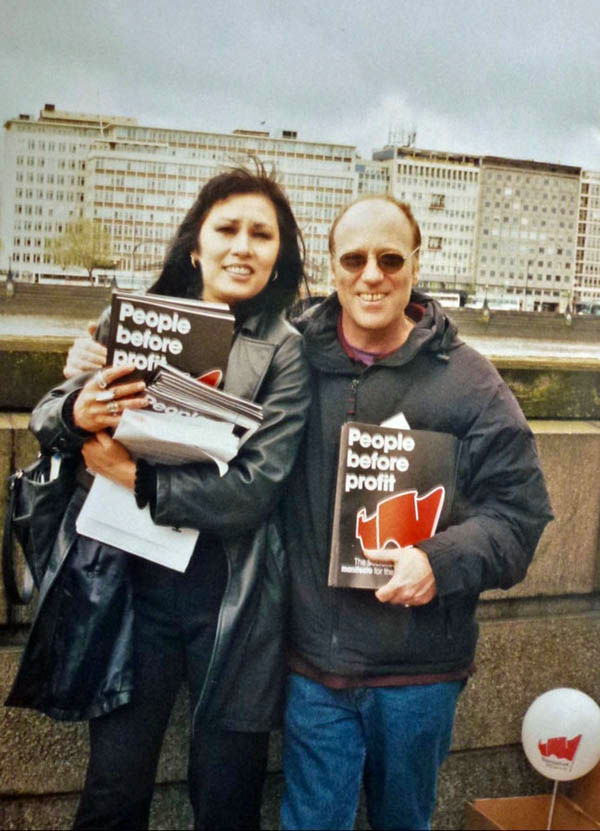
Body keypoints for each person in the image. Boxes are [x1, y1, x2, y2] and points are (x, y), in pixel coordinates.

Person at [6, 165, 310, 830]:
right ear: (195, 246)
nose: (243, 246)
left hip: (229, 598)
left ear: (280, 254)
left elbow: (256, 487)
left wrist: (138, 478)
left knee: (226, 794)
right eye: (227, 228)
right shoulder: (133, 319)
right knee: (114, 788)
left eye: (262, 234)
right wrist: (79, 407)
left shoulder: (287, 353)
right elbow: (48, 416)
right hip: (129, 590)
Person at [280, 195, 553, 830]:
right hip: (313, 668)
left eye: (389, 258)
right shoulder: (288, 359)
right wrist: (96, 357)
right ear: (332, 269)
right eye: (354, 259)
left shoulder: (472, 383)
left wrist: (439, 561)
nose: (371, 274)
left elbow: (521, 513)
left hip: (418, 674)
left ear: (415, 264)